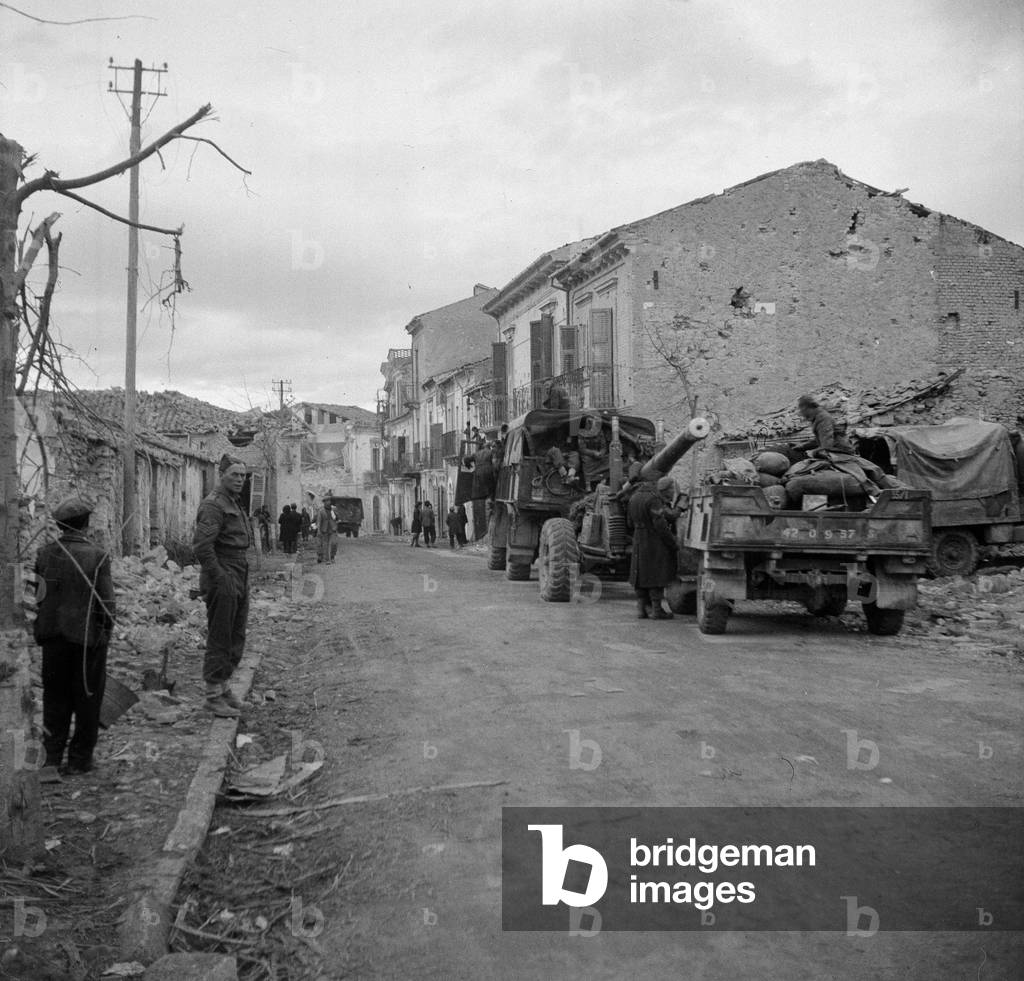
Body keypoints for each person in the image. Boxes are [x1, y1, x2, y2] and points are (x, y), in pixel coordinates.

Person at [33, 498, 116, 777]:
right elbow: (107, 604)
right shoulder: (98, 556)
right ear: (86, 523)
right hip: (86, 641)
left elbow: (39, 597)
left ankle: (51, 760)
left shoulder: (45, 554)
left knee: (54, 699)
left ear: (59, 525)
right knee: (87, 699)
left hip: (53, 637)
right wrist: (104, 635)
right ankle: (80, 760)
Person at [193, 455, 254, 718]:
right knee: (220, 635)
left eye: (243, 475)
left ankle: (225, 687)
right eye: (234, 475)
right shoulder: (213, 505)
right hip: (224, 571)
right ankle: (212, 696)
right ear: (222, 475)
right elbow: (203, 547)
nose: (240, 479)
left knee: (235, 634)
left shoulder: (234, 502)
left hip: (239, 570)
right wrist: (220, 577)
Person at [626, 477, 678, 620]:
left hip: (638, 539)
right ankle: (657, 610)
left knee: (640, 573)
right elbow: (660, 524)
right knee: (656, 573)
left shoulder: (633, 498)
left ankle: (641, 610)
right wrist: (672, 543)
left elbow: (629, 523)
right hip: (653, 540)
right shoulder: (653, 499)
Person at [317, 498, 339, 564]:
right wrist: (318, 531)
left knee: (334, 543)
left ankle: (332, 557)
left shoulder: (334, 509)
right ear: (324, 502)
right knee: (325, 545)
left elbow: (337, 518)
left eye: (329, 501)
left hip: (333, 529)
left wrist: (334, 513)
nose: (328, 502)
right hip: (324, 530)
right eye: (326, 501)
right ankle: (327, 559)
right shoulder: (321, 511)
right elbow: (319, 521)